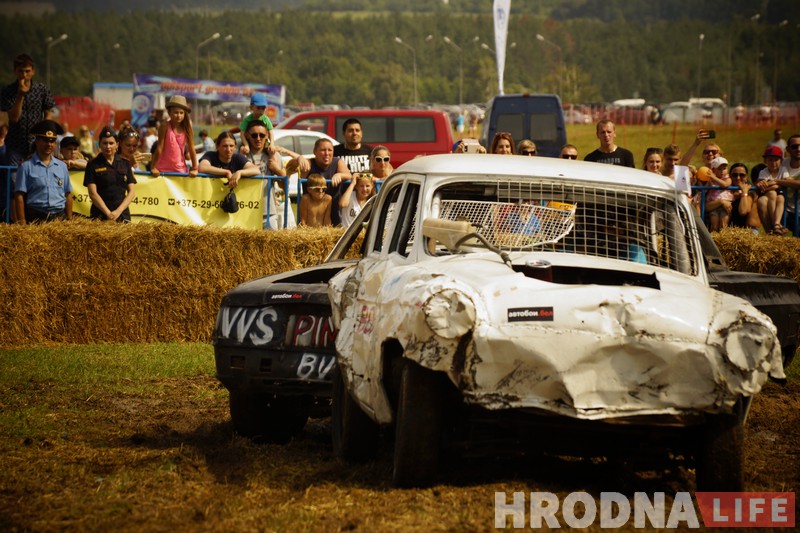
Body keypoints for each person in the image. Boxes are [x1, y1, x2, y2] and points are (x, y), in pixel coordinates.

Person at [242, 119, 303, 229]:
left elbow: (284, 185)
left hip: (269, 211)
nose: (258, 138)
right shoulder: (242, 155)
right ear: (247, 136)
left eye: (262, 135)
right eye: (254, 135)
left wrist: (276, 169)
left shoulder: (274, 155)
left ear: (267, 136)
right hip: (246, 210)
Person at [1, 54, 55, 167]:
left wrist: (45, 137)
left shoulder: (42, 89)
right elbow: (14, 118)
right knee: (14, 177)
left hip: (37, 145)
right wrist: (20, 95)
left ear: (33, 71)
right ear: (15, 72)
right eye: (20, 71)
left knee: (37, 176)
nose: (24, 75)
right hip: (15, 145)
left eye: (27, 71)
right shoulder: (8, 91)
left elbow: (48, 113)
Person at [13, 119, 72, 224]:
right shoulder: (25, 167)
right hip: (35, 219)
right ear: (36, 141)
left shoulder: (62, 166)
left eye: (52, 141)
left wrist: (70, 220)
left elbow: (68, 194)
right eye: (45, 140)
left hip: (59, 219)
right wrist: (22, 222)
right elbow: (19, 196)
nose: (49, 144)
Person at [83, 126, 136, 222]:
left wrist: (117, 212)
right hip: (100, 216)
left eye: (111, 143)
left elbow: (131, 192)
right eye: (105, 143)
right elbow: (92, 193)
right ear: (99, 144)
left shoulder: (125, 163)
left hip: (122, 215)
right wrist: (108, 213)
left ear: (117, 145)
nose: (108, 147)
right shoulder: (92, 164)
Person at [297, 138, 350, 225]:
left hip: (334, 213)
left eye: (330, 150)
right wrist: (299, 158)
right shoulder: (309, 163)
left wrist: (340, 175)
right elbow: (290, 167)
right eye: (323, 150)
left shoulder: (337, 162)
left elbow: (350, 176)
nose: (327, 153)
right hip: (310, 218)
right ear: (315, 152)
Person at [151, 95, 198, 177]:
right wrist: (153, 167)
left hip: (180, 170)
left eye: (181, 113)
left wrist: (195, 168)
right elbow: (159, 148)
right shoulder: (164, 126)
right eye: (176, 112)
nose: (179, 115)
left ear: (185, 114)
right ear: (169, 113)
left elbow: (191, 149)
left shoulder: (187, 128)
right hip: (162, 169)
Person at [756, 145, 787, 235]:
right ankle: (776, 225)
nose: (773, 163)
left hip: (779, 196)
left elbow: (787, 181)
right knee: (772, 194)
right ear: (765, 161)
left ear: (781, 161)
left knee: (780, 198)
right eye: (770, 160)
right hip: (769, 195)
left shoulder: (783, 170)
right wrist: (776, 185)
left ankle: (775, 225)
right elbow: (763, 186)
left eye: (776, 160)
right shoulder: (763, 172)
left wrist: (772, 184)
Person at [776, 134, 800, 234]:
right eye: (794, 147)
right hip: (786, 210)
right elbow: (768, 176)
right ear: (788, 149)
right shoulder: (782, 163)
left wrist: (778, 181)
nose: (798, 149)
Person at [728, 163, 760, 234]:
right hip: (728, 231)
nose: (738, 178)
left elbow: (743, 211)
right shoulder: (724, 189)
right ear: (730, 176)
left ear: (746, 177)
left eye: (742, 175)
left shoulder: (751, 191)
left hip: (747, 232)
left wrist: (744, 192)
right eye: (735, 175)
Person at [705, 156, 733, 232]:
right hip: (714, 205)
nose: (722, 171)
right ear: (713, 170)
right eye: (719, 169)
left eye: (724, 168)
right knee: (714, 226)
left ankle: (722, 238)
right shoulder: (710, 180)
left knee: (723, 226)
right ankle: (714, 237)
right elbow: (705, 188)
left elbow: (725, 185)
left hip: (725, 206)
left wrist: (714, 178)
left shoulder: (728, 179)